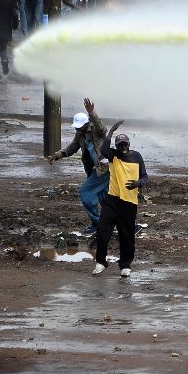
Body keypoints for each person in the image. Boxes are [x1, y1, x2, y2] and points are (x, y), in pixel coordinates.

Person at [93, 122, 148, 278]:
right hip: (111, 201)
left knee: (127, 235)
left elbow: (145, 176)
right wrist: (110, 132)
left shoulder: (137, 156)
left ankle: (125, 265)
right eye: (120, 145)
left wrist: (138, 183)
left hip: (129, 203)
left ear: (129, 144)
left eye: (125, 144)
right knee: (103, 231)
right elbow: (103, 149)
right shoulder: (113, 156)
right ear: (116, 146)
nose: (123, 147)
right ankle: (101, 262)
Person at [47, 98, 110, 235]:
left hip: (104, 169)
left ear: (86, 123)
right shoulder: (80, 134)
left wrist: (92, 113)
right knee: (104, 197)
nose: (76, 128)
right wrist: (59, 155)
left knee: (85, 192)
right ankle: (112, 223)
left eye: (78, 126)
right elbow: (73, 147)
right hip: (95, 170)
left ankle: (97, 223)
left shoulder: (95, 131)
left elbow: (103, 128)